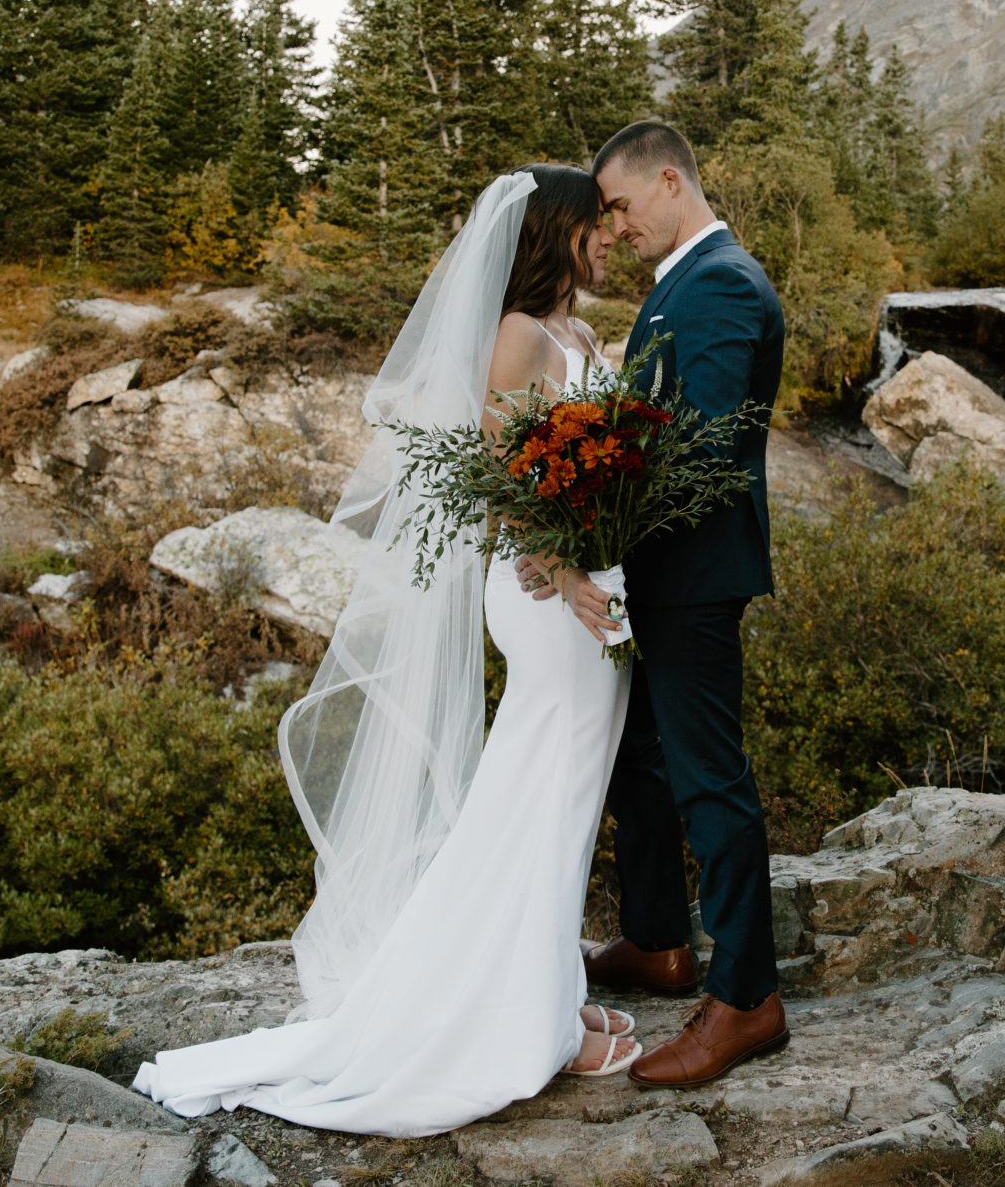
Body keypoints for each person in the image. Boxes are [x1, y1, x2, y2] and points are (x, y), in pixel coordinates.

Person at [131, 166, 650, 1136]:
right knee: (539, 796)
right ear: (555, 235)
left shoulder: (574, 333)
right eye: (595, 226)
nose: (610, 239)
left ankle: (534, 987)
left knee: (561, 800)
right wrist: (566, 570)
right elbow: (500, 478)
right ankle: (525, 1017)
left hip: (593, 587)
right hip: (550, 596)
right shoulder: (517, 338)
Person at [526, 119, 790, 1087]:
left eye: (623, 206)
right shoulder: (683, 280)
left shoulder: (719, 282)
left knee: (708, 779)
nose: (617, 227)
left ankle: (748, 999)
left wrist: (583, 507)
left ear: (670, 181)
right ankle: (656, 941)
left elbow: (704, 446)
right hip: (653, 567)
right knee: (643, 762)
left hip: (692, 572)